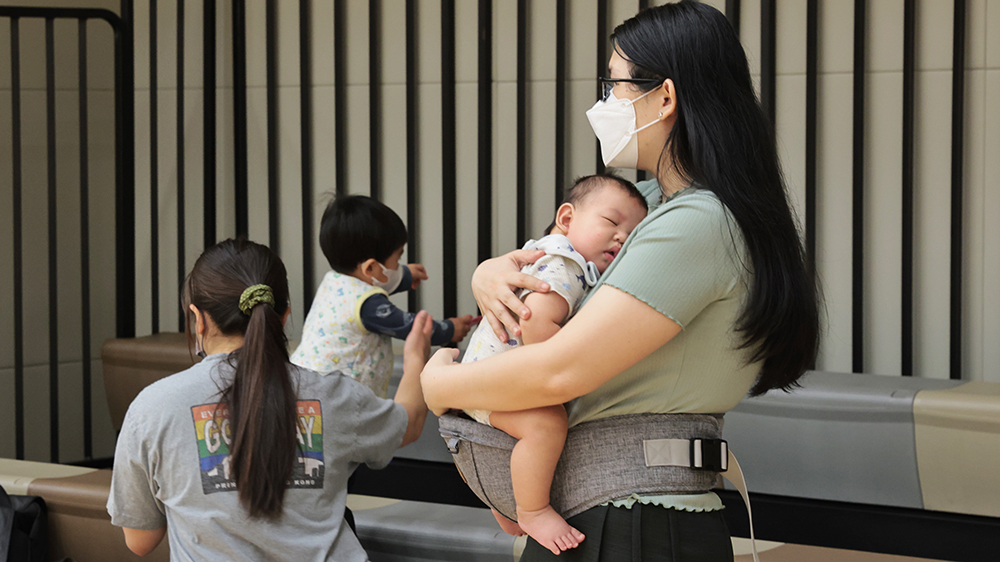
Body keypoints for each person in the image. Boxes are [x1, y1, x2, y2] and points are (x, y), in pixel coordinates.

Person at [421, 3, 821, 561]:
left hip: (630, 517)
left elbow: (560, 368)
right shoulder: (657, 204)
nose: (603, 103)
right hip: (622, 510)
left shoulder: (697, 222)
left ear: (665, 97)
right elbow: (551, 265)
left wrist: (439, 386)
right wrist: (488, 272)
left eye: (613, 84)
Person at [108, 238, 433, 561]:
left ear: (198, 319)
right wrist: (416, 355)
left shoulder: (152, 408)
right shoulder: (334, 396)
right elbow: (410, 422)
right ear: (283, 315)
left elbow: (141, 540)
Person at [461, 174, 647, 554]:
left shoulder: (552, 256)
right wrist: (565, 376)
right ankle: (533, 509)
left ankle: (504, 500)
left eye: (632, 234)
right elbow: (535, 320)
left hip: (491, 378)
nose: (621, 238)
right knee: (548, 425)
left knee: (523, 436)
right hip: (497, 379)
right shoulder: (565, 263)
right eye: (611, 223)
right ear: (566, 218)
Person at [291, 195, 475, 398]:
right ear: (370, 267)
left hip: (305, 388)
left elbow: (375, 282)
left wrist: (403, 275)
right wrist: (450, 329)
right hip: (335, 400)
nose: (399, 265)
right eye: (398, 258)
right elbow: (410, 327)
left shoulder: (334, 282)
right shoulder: (369, 305)